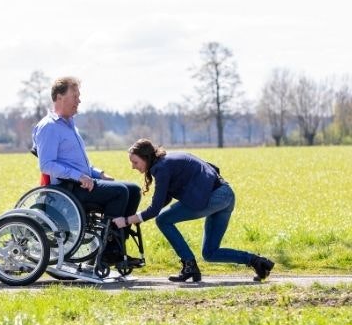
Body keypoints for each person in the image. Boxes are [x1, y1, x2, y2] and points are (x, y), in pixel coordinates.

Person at [114, 138, 274, 282]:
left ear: (146, 158)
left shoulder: (161, 168)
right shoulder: (167, 161)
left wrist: (127, 220)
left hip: (213, 198)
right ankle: (257, 261)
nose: (133, 167)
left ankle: (189, 264)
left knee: (163, 219)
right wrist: (141, 215)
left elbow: (155, 209)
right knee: (210, 253)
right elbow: (163, 200)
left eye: (135, 162)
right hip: (226, 194)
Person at [32, 76, 142, 264]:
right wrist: (79, 176)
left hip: (81, 182)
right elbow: (47, 165)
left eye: (79, 96)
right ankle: (107, 251)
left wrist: (99, 174)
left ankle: (117, 245)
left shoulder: (69, 126)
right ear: (59, 97)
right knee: (119, 192)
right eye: (74, 96)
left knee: (133, 190)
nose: (79, 100)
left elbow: (78, 165)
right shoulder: (49, 127)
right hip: (67, 190)